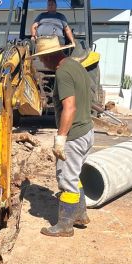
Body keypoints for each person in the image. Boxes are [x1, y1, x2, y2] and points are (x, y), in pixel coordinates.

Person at [32, 35, 93, 237]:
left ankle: (65, 226)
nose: (41, 61)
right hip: (87, 131)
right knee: (75, 175)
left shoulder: (62, 74)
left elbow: (69, 107)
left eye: (42, 57)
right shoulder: (77, 67)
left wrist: (61, 138)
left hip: (74, 135)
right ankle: (80, 215)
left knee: (66, 179)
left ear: (50, 56)